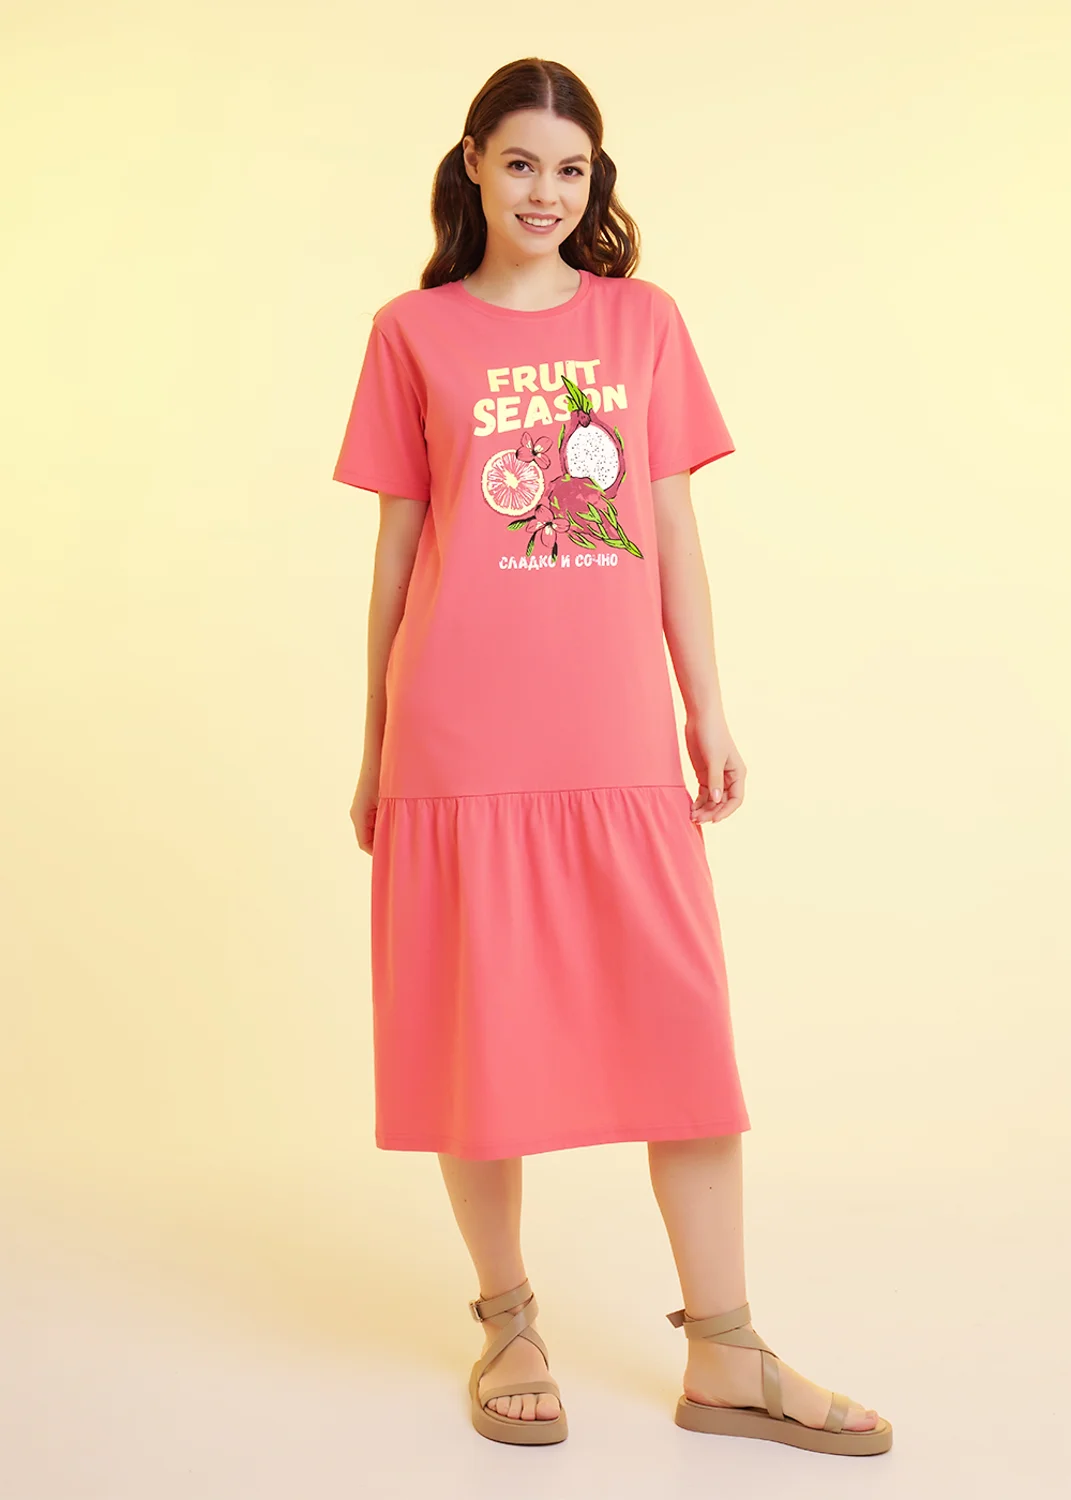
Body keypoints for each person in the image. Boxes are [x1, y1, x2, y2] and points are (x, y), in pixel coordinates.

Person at [331, 57, 891, 1458]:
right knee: (476, 1034)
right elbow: (397, 552)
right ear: (473, 162)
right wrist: (374, 746)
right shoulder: (411, 331)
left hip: (613, 731)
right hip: (458, 734)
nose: (546, 191)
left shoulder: (643, 321)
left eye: (570, 169)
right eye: (521, 162)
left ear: (597, 182)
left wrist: (706, 708)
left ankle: (727, 1350)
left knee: (682, 1035)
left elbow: (671, 525)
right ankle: (508, 1320)